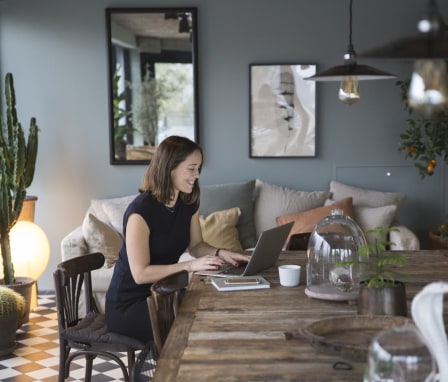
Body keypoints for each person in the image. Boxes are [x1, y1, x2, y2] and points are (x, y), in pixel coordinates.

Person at [105, 135, 250, 342]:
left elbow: (196, 245)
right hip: (130, 306)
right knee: (198, 325)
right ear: (169, 167)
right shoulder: (140, 212)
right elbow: (140, 274)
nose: (197, 175)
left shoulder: (188, 201)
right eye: (191, 168)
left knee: (215, 308)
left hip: (163, 294)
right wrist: (190, 266)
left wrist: (221, 253)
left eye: (199, 168)